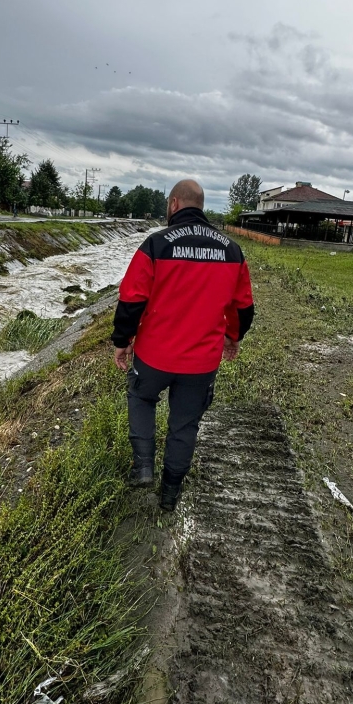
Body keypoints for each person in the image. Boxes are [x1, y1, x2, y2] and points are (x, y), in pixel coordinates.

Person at [111, 179, 254, 511]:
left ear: (174, 204)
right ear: (200, 205)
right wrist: (233, 337)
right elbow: (244, 307)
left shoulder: (156, 244)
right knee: (185, 424)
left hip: (154, 356)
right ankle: (170, 493)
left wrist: (122, 341)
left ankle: (143, 465)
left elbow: (131, 299)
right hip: (201, 363)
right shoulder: (232, 251)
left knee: (141, 397)